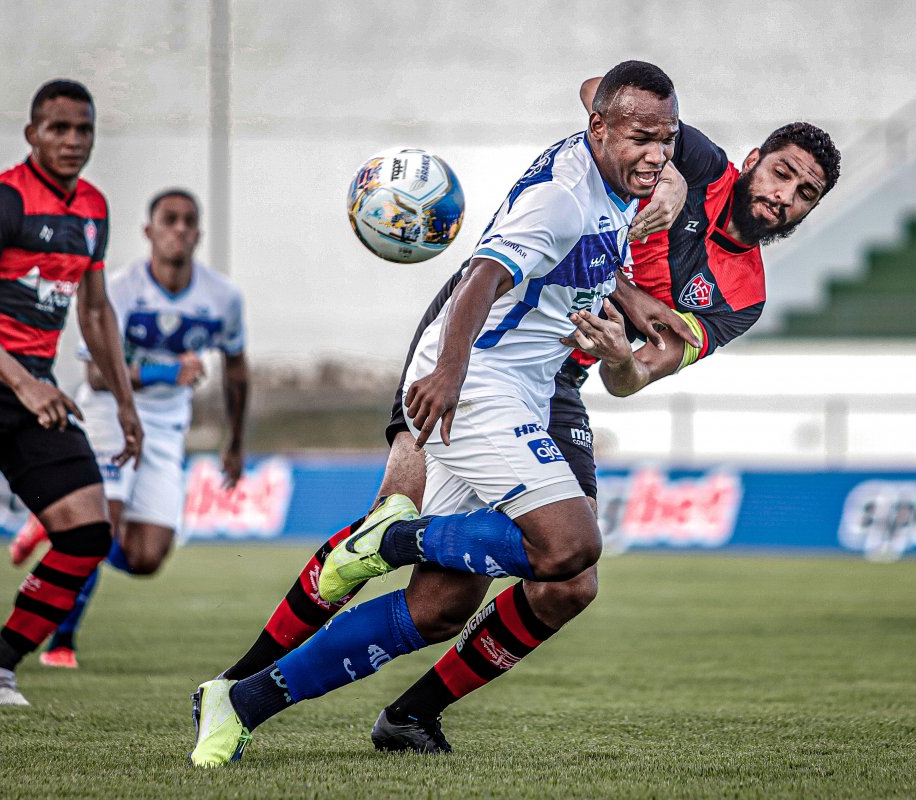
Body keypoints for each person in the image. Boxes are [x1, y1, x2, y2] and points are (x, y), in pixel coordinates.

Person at [206, 79, 841, 755]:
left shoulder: (742, 297)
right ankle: (234, 681)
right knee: (410, 515)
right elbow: (601, 93)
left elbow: (634, 376)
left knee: (552, 585)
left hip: (558, 376)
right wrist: (672, 177)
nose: (783, 197)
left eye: (805, 194)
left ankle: (403, 714)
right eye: (781, 174)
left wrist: (620, 350)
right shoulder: (687, 155)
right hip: (483, 336)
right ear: (751, 160)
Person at [188, 59, 681, 767]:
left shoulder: (612, 157)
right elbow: (482, 274)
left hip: (516, 388)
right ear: (599, 129)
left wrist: (631, 298)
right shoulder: (562, 200)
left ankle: (240, 700)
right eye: (642, 138)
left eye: (666, 139)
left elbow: (596, 122)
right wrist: (449, 373)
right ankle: (392, 541)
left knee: (441, 608)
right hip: (477, 382)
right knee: (569, 548)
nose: (657, 155)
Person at [8, 189, 249, 669]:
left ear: (198, 232)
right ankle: (61, 644)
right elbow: (96, 374)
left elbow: (238, 370)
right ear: (149, 230)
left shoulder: (222, 298)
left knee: (145, 558)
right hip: (109, 411)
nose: (179, 229)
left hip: (165, 425)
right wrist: (164, 373)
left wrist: (235, 442)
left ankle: (49, 523)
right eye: (169, 220)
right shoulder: (119, 288)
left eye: (188, 221)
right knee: (99, 526)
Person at [0, 79, 142, 706]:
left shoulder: (92, 207)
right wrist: (23, 382)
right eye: (58, 128)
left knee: (87, 533)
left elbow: (96, 313)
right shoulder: (1, 202)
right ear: (31, 133)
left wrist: (124, 403)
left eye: (83, 129)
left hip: (31, 392)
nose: (72, 141)